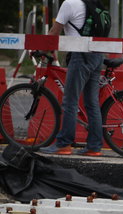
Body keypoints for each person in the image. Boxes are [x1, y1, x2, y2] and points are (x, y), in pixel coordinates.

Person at [42, 0, 105, 156]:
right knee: (92, 103)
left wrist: (41, 48)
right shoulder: (95, 4)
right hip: (97, 54)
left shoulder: (69, 4)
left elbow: (54, 32)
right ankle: (94, 147)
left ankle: (63, 144)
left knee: (70, 101)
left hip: (80, 55)